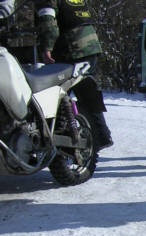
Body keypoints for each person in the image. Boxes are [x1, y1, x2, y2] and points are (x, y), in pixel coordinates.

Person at [34, 0, 113, 152]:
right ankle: (101, 135)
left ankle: (62, 143)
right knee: (87, 91)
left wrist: (46, 48)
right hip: (90, 45)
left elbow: (48, 22)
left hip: (71, 47)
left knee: (56, 96)